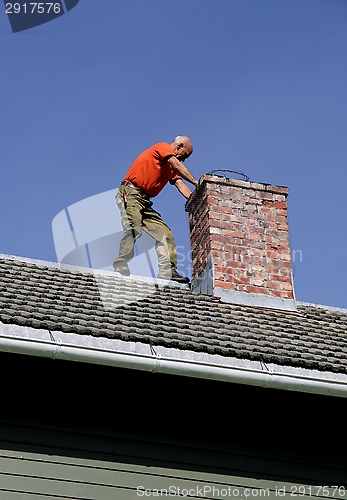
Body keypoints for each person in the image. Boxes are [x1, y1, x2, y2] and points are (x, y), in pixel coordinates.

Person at [113, 136, 198, 283]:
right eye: (184, 156)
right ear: (179, 146)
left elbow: (180, 184)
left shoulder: (171, 167)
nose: (183, 160)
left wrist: (196, 202)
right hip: (131, 193)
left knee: (166, 234)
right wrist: (197, 182)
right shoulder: (162, 147)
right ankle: (120, 264)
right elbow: (177, 164)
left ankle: (168, 271)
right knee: (134, 228)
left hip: (145, 201)